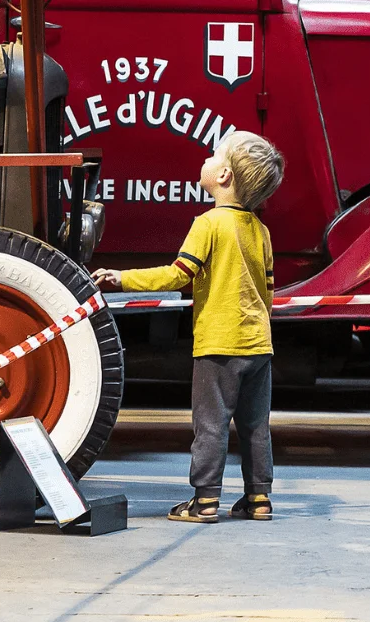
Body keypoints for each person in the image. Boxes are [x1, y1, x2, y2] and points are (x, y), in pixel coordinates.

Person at [93, 131, 285, 523]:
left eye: (214, 155)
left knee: (211, 425)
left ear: (225, 176)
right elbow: (267, 292)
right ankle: (259, 498)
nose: (207, 159)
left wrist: (122, 278)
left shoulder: (209, 224)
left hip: (218, 343)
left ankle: (206, 501)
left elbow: (176, 276)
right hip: (259, 345)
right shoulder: (261, 232)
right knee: (255, 427)